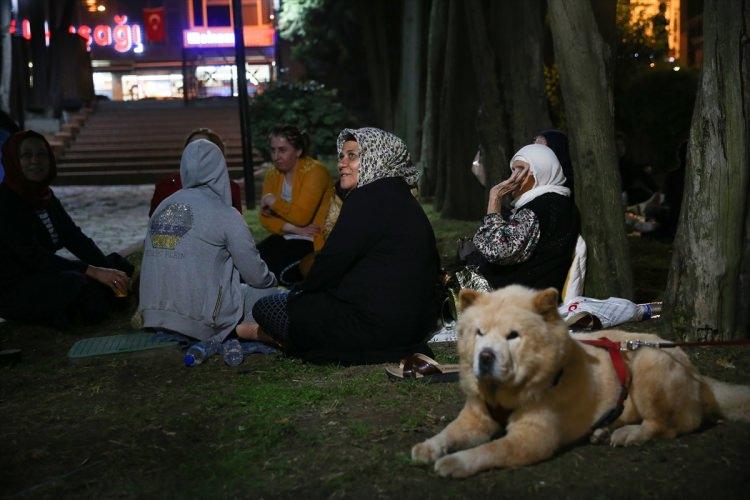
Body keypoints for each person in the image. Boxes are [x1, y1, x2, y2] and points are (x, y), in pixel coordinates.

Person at [246, 127, 440, 364]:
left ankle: (267, 335)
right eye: (342, 156)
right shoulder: (400, 195)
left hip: (380, 327)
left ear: (376, 157)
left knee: (268, 307)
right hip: (413, 325)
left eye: (353, 156)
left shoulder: (367, 198)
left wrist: (299, 295)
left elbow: (330, 263)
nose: (341, 164)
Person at [138, 139, 277, 342]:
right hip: (198, 322)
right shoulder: (224, 213)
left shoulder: (163, 206)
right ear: (220, 170)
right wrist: (272, 282)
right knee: (268, 294)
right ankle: (238, 330)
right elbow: (256, 276)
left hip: (152, 315)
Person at [0, 130, 134, 328]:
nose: (35, 161)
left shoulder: (45, 196)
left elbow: (74, 238)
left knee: (118, 265)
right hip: (16, 286)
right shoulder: (6, 202)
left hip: (44, 274)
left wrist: (107, 269)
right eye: (26, 155)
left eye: (42, 154)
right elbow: (34, 256)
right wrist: (94, 272)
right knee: (75, 283)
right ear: (13, 161)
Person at [461, 143, 579, 294]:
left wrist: (495, 197)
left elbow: (496, 250)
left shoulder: (543, 206)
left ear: (540, 170)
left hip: (520, 296)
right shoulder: (555, 201)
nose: (513, 178)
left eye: (521, 170)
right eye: (513, 170)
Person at [257, 125, 332, 279]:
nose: (276, 156)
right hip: (288, 235)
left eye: (282, 150)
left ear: (298, 151)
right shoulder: (273, 174)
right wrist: (293, 228)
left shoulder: (316, 172)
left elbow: (301, 217)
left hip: (315, 241)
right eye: (273, 150)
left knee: (276, 272)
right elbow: (264, 218)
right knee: (250, 263)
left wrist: (273, 201)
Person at [148, 128, 242, 217]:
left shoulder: (231, 188)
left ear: (216, 154)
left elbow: (235, 224)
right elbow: (155, 223)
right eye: (191, 146)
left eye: (203, 148)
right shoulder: (166, 186)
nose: (196, 151)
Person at [533, 129, 575, 195]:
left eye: (541, 141)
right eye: (535, 141)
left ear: (555, 144)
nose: (535, 145)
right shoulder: (535, 170)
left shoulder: (567, 175)